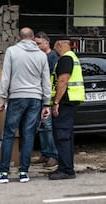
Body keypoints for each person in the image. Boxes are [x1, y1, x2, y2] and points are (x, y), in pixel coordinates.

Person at [0, 27, 51, 183]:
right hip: (35, 99)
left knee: (9, 134)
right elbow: (46, 80)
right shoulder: (41, 55)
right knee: (28, 134)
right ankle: (24, 172)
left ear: (19, 38)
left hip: (17, 97)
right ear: (32, 38)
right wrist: (46, 103)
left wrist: (3, 99)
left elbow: (6, 77)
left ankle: (3, 173)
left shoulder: (12, 51)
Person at [49, 40, 85, 180]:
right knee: (66, 136)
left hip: (65, 101)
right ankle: (66, 167)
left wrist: (56, 102)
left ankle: (66, 170)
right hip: (71, 100)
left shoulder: (65, 59)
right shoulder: (72, 57)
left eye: (55, 47)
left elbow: (63, 81)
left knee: (62, 136)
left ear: (60, 45)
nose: (55, 50)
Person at [33, 31, 59, 168]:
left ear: (46, 42)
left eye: (38, 43)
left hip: (48, 97)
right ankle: (45, 153)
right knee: (42, 127)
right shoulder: (41, 57)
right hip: (41, 95)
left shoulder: (53, 57)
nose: (36, 46)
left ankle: (53, 155)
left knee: (48, 127)